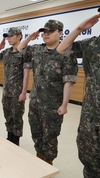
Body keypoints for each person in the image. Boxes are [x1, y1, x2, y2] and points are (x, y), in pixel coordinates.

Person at [17, 20, 78, 165]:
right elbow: (20, 48)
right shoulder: (38, 49)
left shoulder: (67, 53)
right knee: (36, 132)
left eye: (50, 31)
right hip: (36, 102)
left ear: (60, 33)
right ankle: (39, 157)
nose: (46, 34)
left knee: (50, 136)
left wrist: (64, 104)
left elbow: (68, 82)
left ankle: (48, 162)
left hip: (53, 105)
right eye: (44, 32)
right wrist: (29, 38)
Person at [56, 12, 100, 178]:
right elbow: (61, 49)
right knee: (89, 158)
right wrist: (79, 29)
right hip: (91, 114)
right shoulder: (92, 44)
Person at [0, 27, 31, 146]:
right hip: (6, 91)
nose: (9, 38)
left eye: (11, 36)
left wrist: (24, 92)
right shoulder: (6, 52)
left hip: (17, 92)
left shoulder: (24, 53)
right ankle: (9, 138)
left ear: (19, 37)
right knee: (8, 116)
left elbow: (26, 74)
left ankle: (15, 142)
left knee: (17, 118)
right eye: (7, 36)